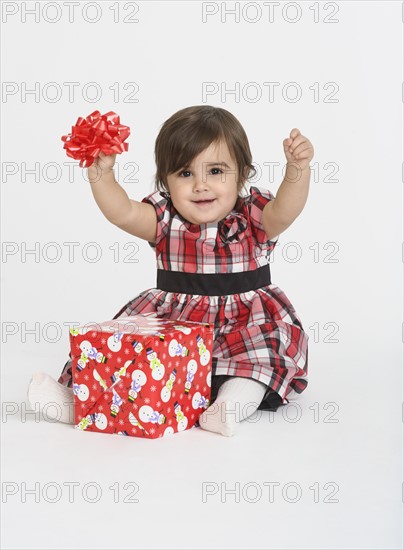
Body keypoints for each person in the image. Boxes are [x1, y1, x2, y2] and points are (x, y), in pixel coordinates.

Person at [28, 105, 314, 437]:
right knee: (125, 358)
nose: (201, 185)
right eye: (185, 173)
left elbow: (286, 210)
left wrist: (297, 169)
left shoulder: (253, 218)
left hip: (243, 321)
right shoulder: (164, 220)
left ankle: (228, 406)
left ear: (242, 174)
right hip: (175, 321)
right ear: (166, 181)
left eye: (216, 171)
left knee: (254, 362)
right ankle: (81, 403)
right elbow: (121, 212)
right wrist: (101, 173)